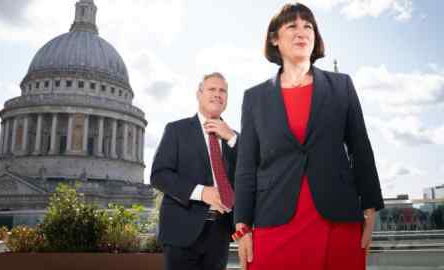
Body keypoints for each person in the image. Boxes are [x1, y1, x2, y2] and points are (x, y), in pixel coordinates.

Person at [233, 3, 384, 270]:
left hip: (338, 219)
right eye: (292, 26)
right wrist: (242, 227)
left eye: (308, 26)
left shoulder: (342, 86)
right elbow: (246, 166)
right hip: (274, 218)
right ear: (274, 39)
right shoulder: (254, 98)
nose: (301, 32)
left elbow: (360, 148)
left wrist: (371, 208)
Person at [151, 72, 238, 270]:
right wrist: (201, 192)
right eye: (211, 89)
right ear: (199, 94)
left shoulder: (235, 139)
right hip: (182, 230)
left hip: (220, 232)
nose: (217, 94)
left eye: (222, 91)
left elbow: (249, 175)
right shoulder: (177, 130)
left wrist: (232, 138)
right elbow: (159, 175)